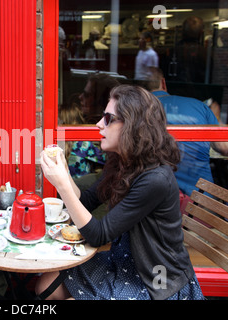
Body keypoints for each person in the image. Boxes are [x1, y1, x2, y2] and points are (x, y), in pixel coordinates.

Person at [36, 85, 204, 300]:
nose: (98, 124)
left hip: (155, 280)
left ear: (133, 126)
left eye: (108, 118)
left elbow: (98, 235)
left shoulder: (156, 179)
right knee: (45, 285)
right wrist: (65, 172)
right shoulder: (123, 163)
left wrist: (61, 185)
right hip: (124, 262)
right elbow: (85, 202)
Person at [145, 67, 228, 198]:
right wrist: (216, 118)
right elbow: (223, 147)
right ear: (164, 83)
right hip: (201, 198)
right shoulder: (199, 106)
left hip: (153, 197)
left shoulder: (136, 111)